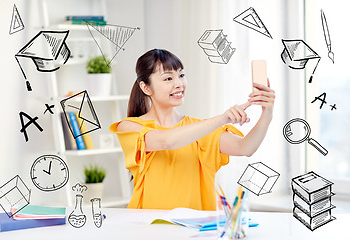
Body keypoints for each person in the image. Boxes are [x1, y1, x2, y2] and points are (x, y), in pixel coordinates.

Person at [110, 49, 275, 210]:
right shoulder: (130, 127)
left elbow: (245, 147)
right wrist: (223, 118)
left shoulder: (201, 129)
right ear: (146, 88)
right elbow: (166, 141)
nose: (179, 84)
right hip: (149, 226)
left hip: (197, 228)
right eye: (168, 78)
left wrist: (267, 114)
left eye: (181, 75)